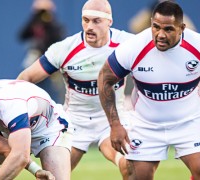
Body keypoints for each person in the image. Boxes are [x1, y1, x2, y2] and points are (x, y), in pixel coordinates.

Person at [97, 1, 200, 179]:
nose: (160, 35)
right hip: (146, 124)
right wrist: (115, 125)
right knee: (136, 176)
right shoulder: (133, 47)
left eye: (169, 29)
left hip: (190, 121)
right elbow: (104, 78)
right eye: (156, 27)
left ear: (182, 28)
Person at [17, 0, 134, 178]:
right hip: (75, 122)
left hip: (113, 119)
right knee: (53, 176)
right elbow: (26, 78)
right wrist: (13, 111)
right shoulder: (64, 49)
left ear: (110, 22)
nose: (89, 26)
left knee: (131, 166)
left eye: (96, 21)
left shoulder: (128, 44)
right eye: (85, 20)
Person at [0, 79, 72, 180]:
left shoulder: (11, 108)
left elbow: (20, 156)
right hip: (13, 131)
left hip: (48, 129)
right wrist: (36, 170)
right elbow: (5, 148)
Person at [19, 0, 66, 103]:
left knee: (59, 86)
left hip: (52, 60)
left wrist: (49, 20)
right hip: (36, 58)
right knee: (28, 80)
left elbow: (58, 37)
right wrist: (33, 18)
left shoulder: (55, 25)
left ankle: (61, 107)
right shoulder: (34, 24)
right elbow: (22, 35)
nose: (42, 14)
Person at [129, 0, 196, 34]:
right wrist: (150, 11)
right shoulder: (151, 11)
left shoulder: (179, 16)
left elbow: (191, 32)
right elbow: (134, 27)